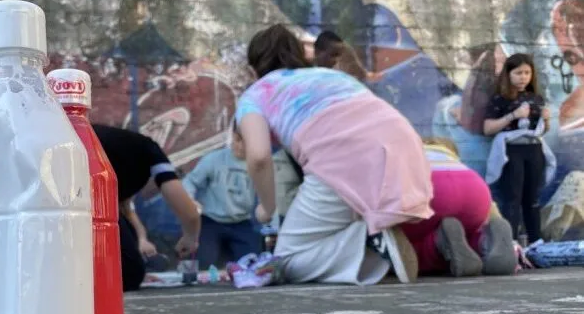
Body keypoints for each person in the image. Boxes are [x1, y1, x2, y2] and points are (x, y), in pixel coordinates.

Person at [236, 24, 433, 285]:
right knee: (331, 225)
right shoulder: (330, 77)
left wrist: (267, 207)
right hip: (404, 147)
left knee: (286, 260)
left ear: (253, 69)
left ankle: (369, 242)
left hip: (343, 159)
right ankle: (385, 244)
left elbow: (258, 155)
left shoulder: (257, 93)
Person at [92, 124, 201, 291]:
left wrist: (141, 238)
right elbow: (187, 209)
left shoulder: (114, 157)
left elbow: (125, 208)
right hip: (83, 199)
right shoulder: (149, 150)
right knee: (129, 274)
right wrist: (190, 237)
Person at [401, 137, 517, 277]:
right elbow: (491, 210)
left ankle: (439, 241)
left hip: (434, 187)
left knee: (405, 241)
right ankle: (485, 241)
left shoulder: (409, 152)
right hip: (474, 187)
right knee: (471, 232)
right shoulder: (452, 158)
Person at [483, 53, 556, 245]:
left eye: (527, 73)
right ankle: (511, 244)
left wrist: (546, 120)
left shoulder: (536, 98)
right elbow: (488, 128)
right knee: (512, 199)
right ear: (508, 74)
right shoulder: (500, 99)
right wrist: (513, 115)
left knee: (532, 199)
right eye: (518, 73)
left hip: (534, 150)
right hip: (511, 151)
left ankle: (535, 243)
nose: (523, 77)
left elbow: (541, 131)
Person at [182, 125, 259, 267]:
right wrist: (190, 200)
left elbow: (271, 193)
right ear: (232, 137)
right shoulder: (214, 159)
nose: (241, 146)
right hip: (211, 221)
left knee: (253, 266)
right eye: (237, 140)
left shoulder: (260, 164)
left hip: (242, 223)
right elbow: (190, 182)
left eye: (247, 142)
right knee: (203, 266)